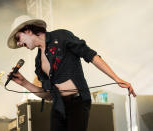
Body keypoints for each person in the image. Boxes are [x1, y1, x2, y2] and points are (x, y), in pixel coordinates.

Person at [7, 15, 136, 131]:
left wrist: (116, 78)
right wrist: (24, 83)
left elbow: (91, 55)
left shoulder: (61, 36)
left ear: (28, 30)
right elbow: (48, 96)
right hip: (58, 106)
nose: (19, 43)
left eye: (18, 38)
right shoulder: (38, 62)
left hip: (77, 102)